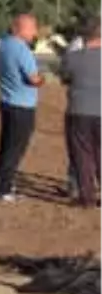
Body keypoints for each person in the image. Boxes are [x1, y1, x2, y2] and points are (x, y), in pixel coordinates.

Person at [0, 12, 45, 202]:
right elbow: (33, 78)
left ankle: (2, 185)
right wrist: (41, 79)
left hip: (7, 102)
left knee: (5, 147)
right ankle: (3, 190)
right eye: (32, 28)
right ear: (20, 29)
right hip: (22, 106)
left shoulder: (2, 44)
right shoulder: (22, 49)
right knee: (15, 149)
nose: (35, 32)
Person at [58, 16, 102, 208]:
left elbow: (65, 78)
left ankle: (87, 197)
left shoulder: (73, 58)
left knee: (82, 154)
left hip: (79, 110)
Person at [63, 32, 85, 199]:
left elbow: (66, 75)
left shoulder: (77, 44)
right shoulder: (78, 43)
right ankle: (75, 184)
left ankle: (76, 185)